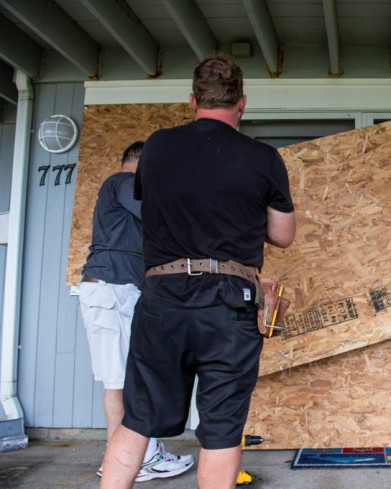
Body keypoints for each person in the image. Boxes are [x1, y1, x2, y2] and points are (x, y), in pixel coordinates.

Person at [100, 54, 296, 489]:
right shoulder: (263, 158)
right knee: (222, 428)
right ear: (241, 103)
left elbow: (154, 205)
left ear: (192, 100)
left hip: (162, 296)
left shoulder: (156, 147)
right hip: (228, 302)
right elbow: (283, 235)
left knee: (137, 420)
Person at [78, 141, 194, 481]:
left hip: (117, 290)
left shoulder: (125, 193)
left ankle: (137, 454)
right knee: (120, 381)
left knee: (126, 379)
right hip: (112, 290)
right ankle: (132, 458)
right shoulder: (124, 182)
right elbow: (158, 217)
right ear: (141, 164)